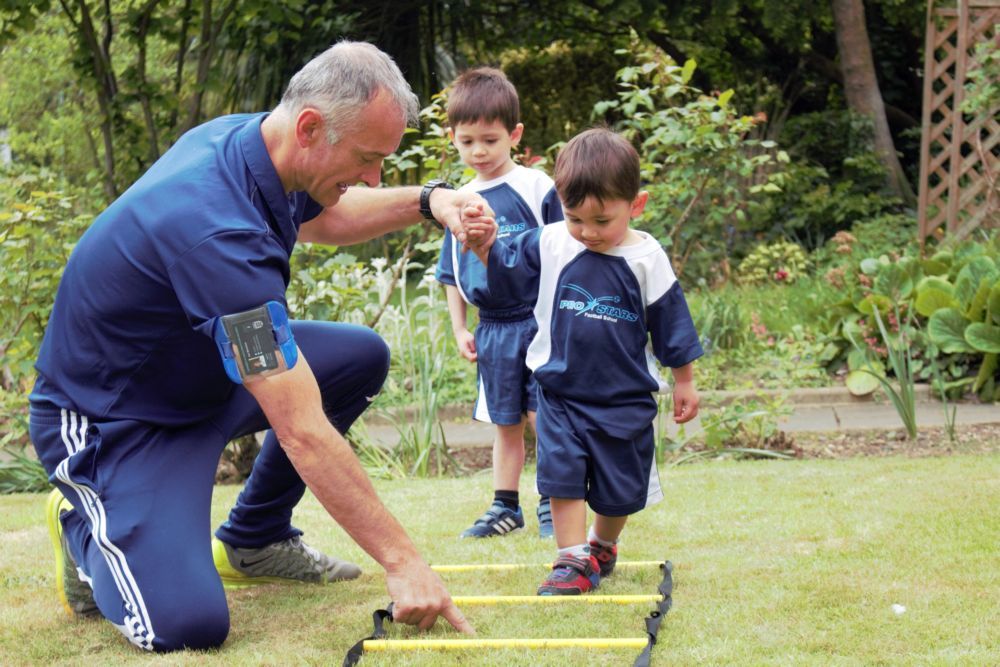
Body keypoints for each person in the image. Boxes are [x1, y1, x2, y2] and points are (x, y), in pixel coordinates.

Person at [29, 41, 480, 652]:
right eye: (369, 158)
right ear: (311, 127)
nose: (374, 177)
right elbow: (299, 429)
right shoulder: (215, 232)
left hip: (198, 380)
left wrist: (431, 200)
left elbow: (328, 217)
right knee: (185, 626)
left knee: (357, 357)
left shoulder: (255, 145)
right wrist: (402, 560)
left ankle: (255, 538)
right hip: (116, 423)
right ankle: (85, 526)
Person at [464, 128, 703, 594]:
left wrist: (685, 381)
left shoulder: (646, 257)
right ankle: (571, 561)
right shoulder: (552, 241)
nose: (588, 233)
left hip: (624, 398)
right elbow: (507, 270)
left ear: (636, 204)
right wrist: (484, 245)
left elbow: (672, 322)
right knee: (562, 475)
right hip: (559, 391)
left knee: (618, 492)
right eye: (576, 218)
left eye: (602, 221)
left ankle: (601, 544)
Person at [434, 67, 563, 539]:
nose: (479, 152)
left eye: (489, 140)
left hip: (538, 320)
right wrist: (459, 327)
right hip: (492, 329)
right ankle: (504, 507)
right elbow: (450, 271)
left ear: (515, 134)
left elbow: (563, 250)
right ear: (453, 139)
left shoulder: (536, 187)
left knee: (542, 415)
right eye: (467, 142)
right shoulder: (455, 199)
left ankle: (555, 501)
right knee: (504, 420)